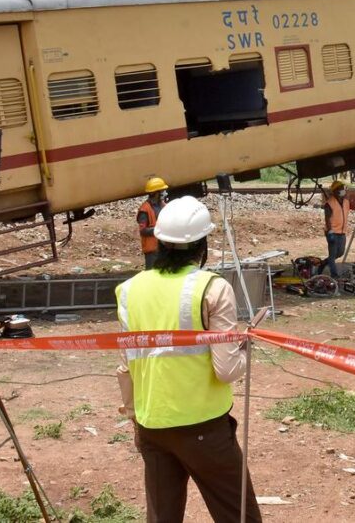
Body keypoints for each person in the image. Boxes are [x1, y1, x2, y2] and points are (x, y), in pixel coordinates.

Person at [115, 196, 262, 523]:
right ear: (202, 244)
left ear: (161, 241)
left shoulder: (129, 290)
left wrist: (136, 418)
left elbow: (126, 364)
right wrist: (244, 349)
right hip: (204, 429)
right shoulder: (213, 288)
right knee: (240, 517)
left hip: (152, 426)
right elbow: (226, 370)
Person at [319, 180, 354, 278]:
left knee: (340, 253)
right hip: (332, 232)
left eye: (343, 188)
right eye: (341, 188)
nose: (343, 190)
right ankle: (334, 275)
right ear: (335, 191)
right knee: (333, 254)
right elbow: (327, 218)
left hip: (342, 232)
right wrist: (330, 231)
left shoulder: (346, 202)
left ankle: (323, 263)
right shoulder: (329, 203)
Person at [138, 177, 169, 269]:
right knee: (151, 275)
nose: (164, 193)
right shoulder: (145, 209)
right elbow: (143, 231)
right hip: (152, 251)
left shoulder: (163, 205)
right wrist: (158, 230)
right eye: (162, 191)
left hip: (164, 248)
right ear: (155, 193)